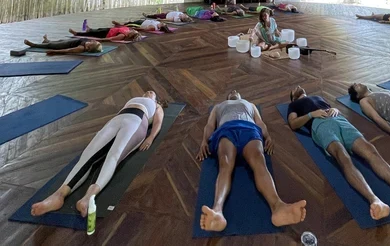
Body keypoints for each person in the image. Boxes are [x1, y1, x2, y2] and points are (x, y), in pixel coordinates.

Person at [287, 86, 390, 220]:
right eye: (295, 88)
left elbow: (330, 109)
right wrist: (310, 115)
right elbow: (293, 124)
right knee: (343, 156)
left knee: (371, 151)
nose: (299, 86)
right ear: (293, 97)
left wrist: (335, 109)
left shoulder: (318, 97)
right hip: (319, 124)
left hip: (338, 119)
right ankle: (375, 200)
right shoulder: (294, 105)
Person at [31, 91, 164, 217]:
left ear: (157, 100)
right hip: (116, 120)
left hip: (138, 122)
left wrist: (150, 137)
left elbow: (158, 122)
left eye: (152, 92)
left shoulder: (157, 106)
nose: (148, 92)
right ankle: (58, 195)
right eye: (146, 92)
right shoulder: (134, 100)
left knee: (113, 155)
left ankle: (89, 197)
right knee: (87, 156)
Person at [197, 90, 306, 231]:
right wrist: (204, 142)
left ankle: (278, 206)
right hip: (226, 129)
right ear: (228, 97)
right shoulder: (219, 106)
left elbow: (260, 122)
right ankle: (217, 210)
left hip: (249, 129)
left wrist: (268, 137)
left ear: (241, 96)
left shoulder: (250, 104)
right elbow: (210, 125)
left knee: (259, 161)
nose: (234, 91)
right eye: (231, 91)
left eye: (236, 91)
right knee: (225, 163)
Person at [24, 35, 102, 54]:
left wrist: (55, 52)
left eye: (94, 42)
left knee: (51, 45)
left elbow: (69, 50)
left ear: (89, 47)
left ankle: (33, 45)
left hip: (64, 46)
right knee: (58, 41)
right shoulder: (88, 42)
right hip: (69, 41)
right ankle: (47, 40)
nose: (93, 40)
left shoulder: (81, 48)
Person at [69, 25, 141, 42]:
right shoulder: (127, 29)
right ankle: (90, 29)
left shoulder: (122, 35)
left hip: (106, 34)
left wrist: (101, 40)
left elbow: (111, 38)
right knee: (98, 30)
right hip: (109, 30)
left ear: (131, 34)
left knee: (93, 34)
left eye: (133, 31)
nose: (133, 30)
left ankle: (77, 33)